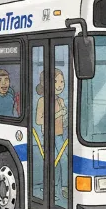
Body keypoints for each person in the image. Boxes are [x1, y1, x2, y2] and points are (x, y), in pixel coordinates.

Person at [35, 69, 69, 199]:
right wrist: (58, 114)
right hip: (48, 136)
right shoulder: (42, 101)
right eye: (55, 81)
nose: (59, 85)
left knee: (64, 160)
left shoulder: (61, 101)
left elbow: (63, 122)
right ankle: (48, 189)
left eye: (62, 81)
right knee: (51, 161)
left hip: (60, 135)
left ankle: (64, 187)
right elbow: (39, 120)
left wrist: (64, 117)